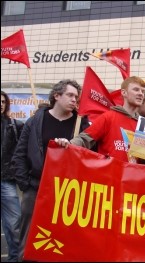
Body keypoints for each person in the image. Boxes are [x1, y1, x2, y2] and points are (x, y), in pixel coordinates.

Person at [12, 79, 90, 261]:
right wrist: (26, 185)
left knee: (60, 239)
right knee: (30, 236)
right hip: (36, 188)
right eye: (70, 95)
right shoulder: (35, 121)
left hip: (67, 191)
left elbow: (89, 155)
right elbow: (20, 154)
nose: (74, 100)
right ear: (56, 95)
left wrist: (73, 147)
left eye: (76, 97)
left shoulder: (81, 124)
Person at [55, 76, 145, 163]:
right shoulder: (108, 117)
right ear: (124, 93)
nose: (140, 94)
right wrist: (67, 144)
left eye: (143, 91)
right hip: (109, 182)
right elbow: (84, 139)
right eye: (136, 89)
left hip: (132, 184)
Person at [1, 91, 24, 262]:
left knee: (14, 225)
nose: (1, 104)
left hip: (5, 180)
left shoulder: (13, 125)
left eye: (3, 101)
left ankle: (14, 259)